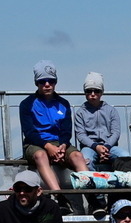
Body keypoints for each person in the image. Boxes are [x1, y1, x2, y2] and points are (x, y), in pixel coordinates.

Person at [19, 60, 88, 212]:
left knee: (77, 156)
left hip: (59, 143)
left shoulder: (63, 103)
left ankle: (93, 195)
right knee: (40, 156)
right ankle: (60, 197)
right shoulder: (26, 104)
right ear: (37, 83)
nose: (47, 85)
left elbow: (66, 131)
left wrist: (62, 146)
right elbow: (29, 132)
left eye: (51, 81)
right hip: (35, 143)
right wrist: (48, 146)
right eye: (42, 81)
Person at [73, 72, 128, 219]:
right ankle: (97, 198)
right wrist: (96, 146)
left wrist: (107, 147)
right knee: (86, 161)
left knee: (125, 157)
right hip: (90, 147)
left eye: (96, 91)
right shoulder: (80, 113)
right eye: (89, 91)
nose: (92, 94)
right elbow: (81, 134)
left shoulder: (111, 110)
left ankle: (121, 196)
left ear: (102, 92)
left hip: (110, 146)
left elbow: (116, 132)